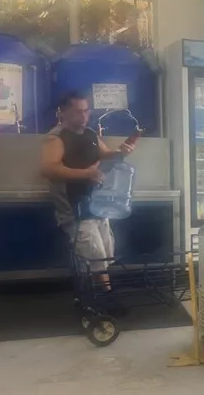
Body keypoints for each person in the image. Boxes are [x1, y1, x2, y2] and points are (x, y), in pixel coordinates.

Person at [41, 92, 136, 282]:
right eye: (78, 112)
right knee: (95, 258)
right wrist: (86, 174)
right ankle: (103, 296)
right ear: (63, 112)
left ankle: (96, 294)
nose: (84, 116)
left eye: (86, 111)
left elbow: (106, 155)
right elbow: (49, 169)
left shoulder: (90, 134)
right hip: (75, 209)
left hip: (97, 205)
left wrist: (121, 151)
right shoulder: (56, 138)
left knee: (106, 255)